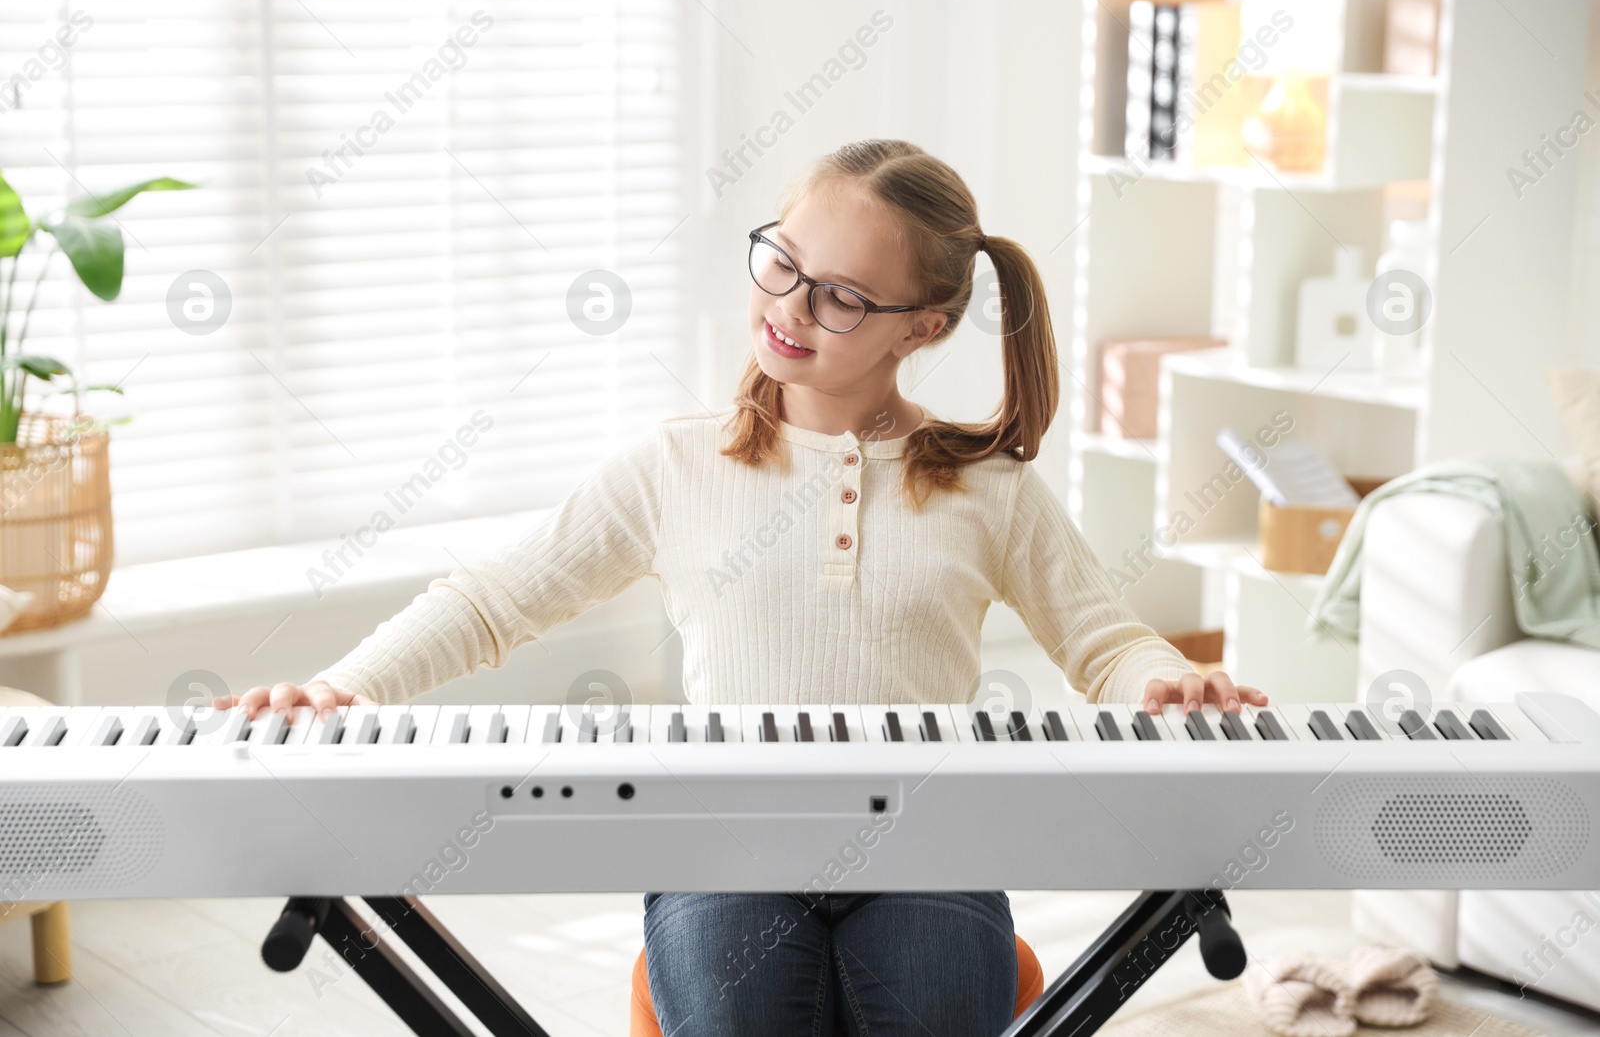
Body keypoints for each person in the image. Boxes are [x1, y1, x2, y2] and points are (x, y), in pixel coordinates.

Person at [217, 138, 1268, 1035]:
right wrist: (343, 688)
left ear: (924, 325)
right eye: (781, 261)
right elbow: (493, 600)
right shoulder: (676, 467)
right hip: (723, 838)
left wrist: (1168, 681)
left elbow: (1107, 645)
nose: (790, 308)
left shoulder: (984, 488)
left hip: (927, 844)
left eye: (842, 296)